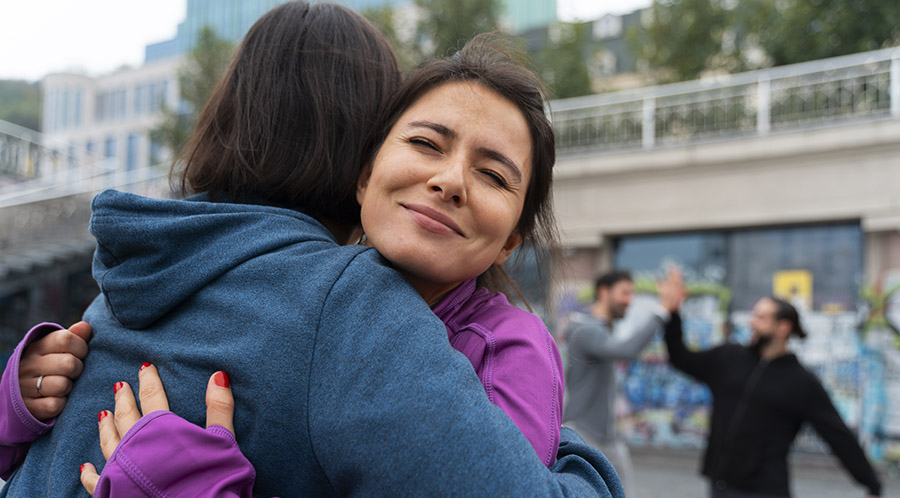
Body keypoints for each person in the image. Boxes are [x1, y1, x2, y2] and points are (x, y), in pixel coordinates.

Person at [0, 3, 622, 497]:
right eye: (425, 141)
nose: (448, 181)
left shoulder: (139, 274)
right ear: (363, 158)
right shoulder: (344, 301)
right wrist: (578, 463)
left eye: (494, 174)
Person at [665, 295, 882, 498]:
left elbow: (838, 435)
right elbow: (681, 358)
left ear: (783, 327)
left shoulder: (801, 382)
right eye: (754, 315)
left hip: (766, 490)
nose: (752, 322)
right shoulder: (729, 358)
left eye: (761, 317)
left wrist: (872, 485)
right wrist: (673, 313)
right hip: (720, 485)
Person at [562, 269, 684, 493]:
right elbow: (626, 350)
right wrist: (661, 310)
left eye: (632, 293)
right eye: (624, 293)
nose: (630, 300)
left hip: (608, 437)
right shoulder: (586, 330)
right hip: (584, 434)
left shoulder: (601, 330)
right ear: (603, 292)